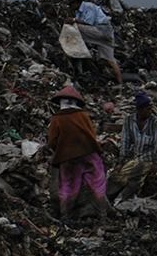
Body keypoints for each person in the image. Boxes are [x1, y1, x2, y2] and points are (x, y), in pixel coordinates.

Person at [45, 85, 109, 220]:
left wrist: (61, 150)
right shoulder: (83, 115)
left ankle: (65, 216)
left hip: (66, 157)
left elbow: (52, 141)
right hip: (88, 152)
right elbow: (91, 134)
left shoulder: (57, 119)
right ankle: (102, 215)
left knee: (68, 186)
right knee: (97, 183)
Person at [109, 92, 157, 200]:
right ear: (140, 110)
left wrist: (156, 163)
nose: (150, 111)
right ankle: (107, 197)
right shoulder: (129, 121)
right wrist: (121, 161)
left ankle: (122, 200)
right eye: (147, 109)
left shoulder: (154, 122)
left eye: (150, 108)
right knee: (117, 176)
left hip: (148, 157)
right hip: (133, 157)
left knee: (135, 176)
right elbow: (125, 142)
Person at [72, 1, 122, 84]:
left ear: (76, 3)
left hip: (101, 31)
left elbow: (88, 22)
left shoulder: (88, 6)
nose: (71, 6)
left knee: (75, 27)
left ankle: (70, 46)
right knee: (110, 60)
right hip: (107, 35)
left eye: (72, 4)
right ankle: (120, 83)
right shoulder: (79, 11)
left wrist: (73, 20)